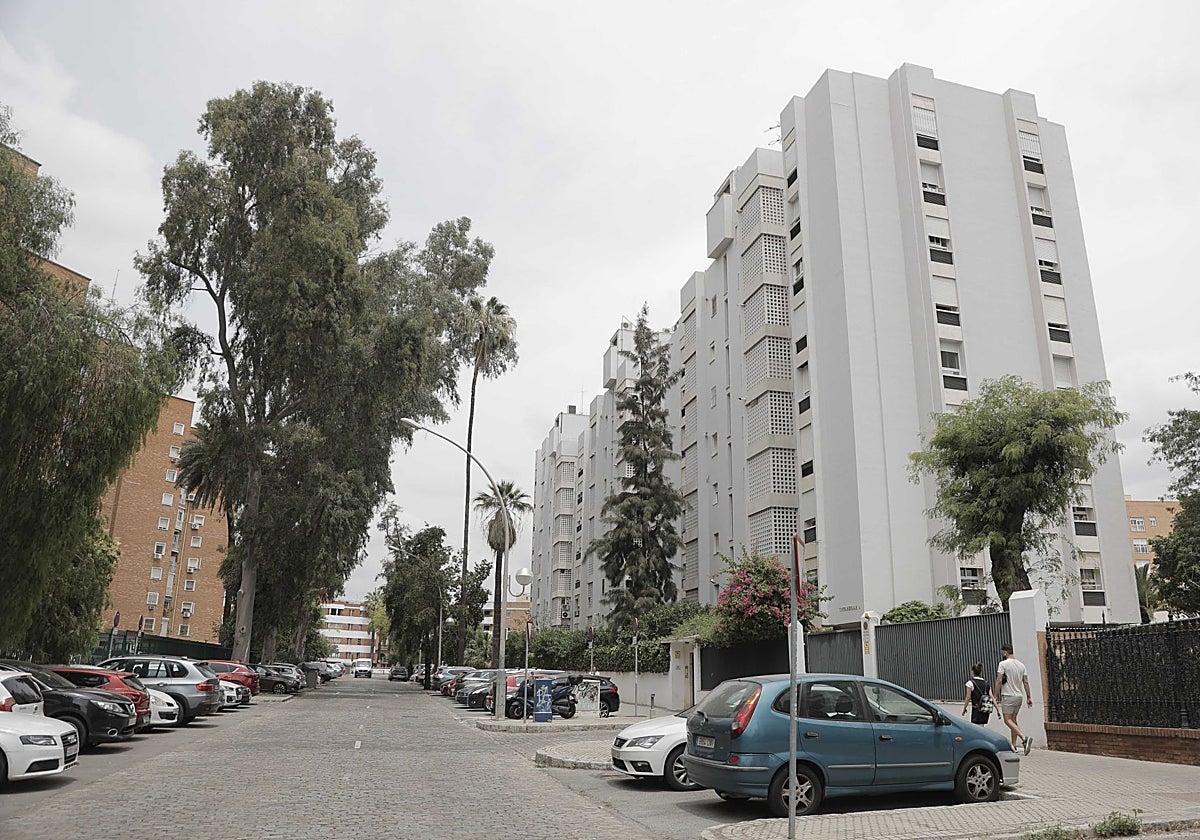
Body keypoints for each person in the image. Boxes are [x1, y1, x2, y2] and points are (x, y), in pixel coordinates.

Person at [996, 642, 1034, 755]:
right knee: (1013, 720)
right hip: (1019, 696)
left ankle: (1024, 738)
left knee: (1007, 720)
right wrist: (1029, 697)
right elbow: (1026, 682)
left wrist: (995, 694)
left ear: (1005, 652)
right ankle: (1013, 745)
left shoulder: (1003, 664)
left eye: (1002, 653)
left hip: (1008, 696)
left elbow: (998, 680)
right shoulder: (1021, 665)